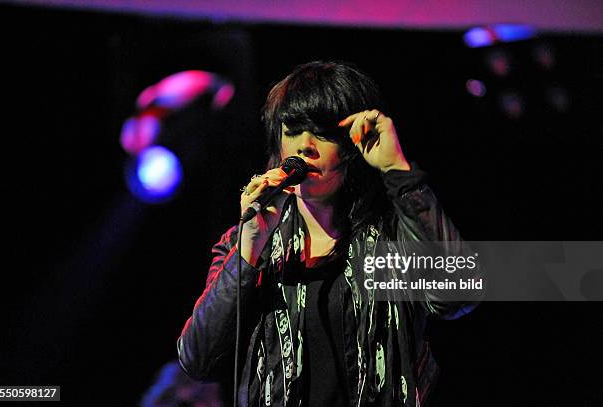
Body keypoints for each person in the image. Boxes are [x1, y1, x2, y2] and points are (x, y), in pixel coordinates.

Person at [177, 61, 481, 406]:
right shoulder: (243, 242)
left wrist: (399, 172)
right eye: (292, 130)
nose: (305, 146)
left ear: (352, 147)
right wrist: (248, 253)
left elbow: (458, 295)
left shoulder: (394, 236)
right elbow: (198, 360)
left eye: (321, 132)